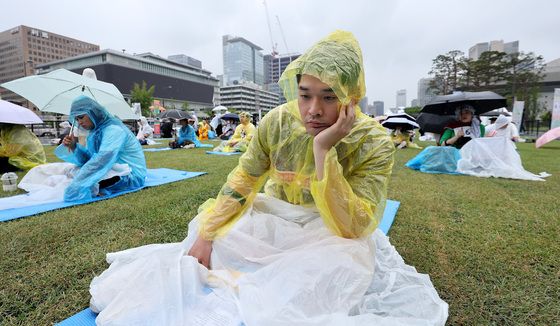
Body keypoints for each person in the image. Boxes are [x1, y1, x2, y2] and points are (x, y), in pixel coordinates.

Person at [89, 31, 448, 325]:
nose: (313, 110)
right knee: (209, 251)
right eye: (306, 95)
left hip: (330, 232)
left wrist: (324, 150)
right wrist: (207, 234)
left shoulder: (372, 141)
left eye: (329, 97)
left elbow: (353, 227)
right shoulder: (276, 122)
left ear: (351, 98)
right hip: (275, 215)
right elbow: (243, 180)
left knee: (339, 271)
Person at [55, 96, 146, 201]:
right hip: (110, 167)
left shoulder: (113, 130)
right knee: (71, 171)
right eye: (76, 119)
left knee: (82, 178)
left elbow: (101, 161)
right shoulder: (94, 132)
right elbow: (89, 159)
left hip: (130, 175)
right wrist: (74, 146)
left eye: (81, 117)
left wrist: (76, 187)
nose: (79, 122)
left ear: (93, 112)